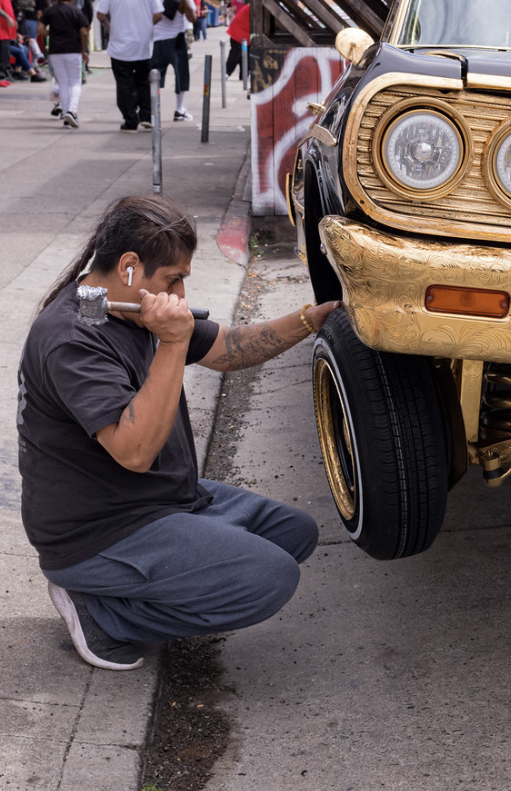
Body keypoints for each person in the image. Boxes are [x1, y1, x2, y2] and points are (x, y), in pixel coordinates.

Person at [17, 195, 340, 671]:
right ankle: (102, 614)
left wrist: (308, 320)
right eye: (174, 280)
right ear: (129, 267)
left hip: (160, 499)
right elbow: (135, 452)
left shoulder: (124, 306)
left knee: (293, 532)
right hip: (101, 529)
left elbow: (228, 349)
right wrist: (171, 342)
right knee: (270, 577)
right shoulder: (72, 338)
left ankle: (176, 559)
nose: (181, 297)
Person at [96, 0, 164, 132]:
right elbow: (158, 15)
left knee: (124, 84)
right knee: (144, 82)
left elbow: (100, 14)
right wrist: (146, 27)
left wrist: (109, 27)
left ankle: (131, 119)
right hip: (143, 47)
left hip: (119, 47)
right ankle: (147, 116)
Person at [150, 0, 199, 123]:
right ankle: (179, 110)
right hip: (176, 40)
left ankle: (154, 110)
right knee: (181, 76)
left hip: (156, 40)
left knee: (155, 76)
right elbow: (192, 18)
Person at [38, 0, 91, 128]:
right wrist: (84, 50)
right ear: (71, 0)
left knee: (63, 83)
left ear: (56, 0)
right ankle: (72, 111)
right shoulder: (76, 11)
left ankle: (66, 116)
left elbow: (40, 29)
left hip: (55, 52)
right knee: (75, 82)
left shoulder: (50, 11)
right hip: (73, 51)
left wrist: (52, 34)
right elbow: (84, 33)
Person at [225, 1, 250, 81]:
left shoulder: (251, 6)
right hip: (239, 33)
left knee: (244, 55)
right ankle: (227, 72)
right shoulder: (253, 7)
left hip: (242, 33)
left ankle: (244, 74)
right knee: (236, 55)